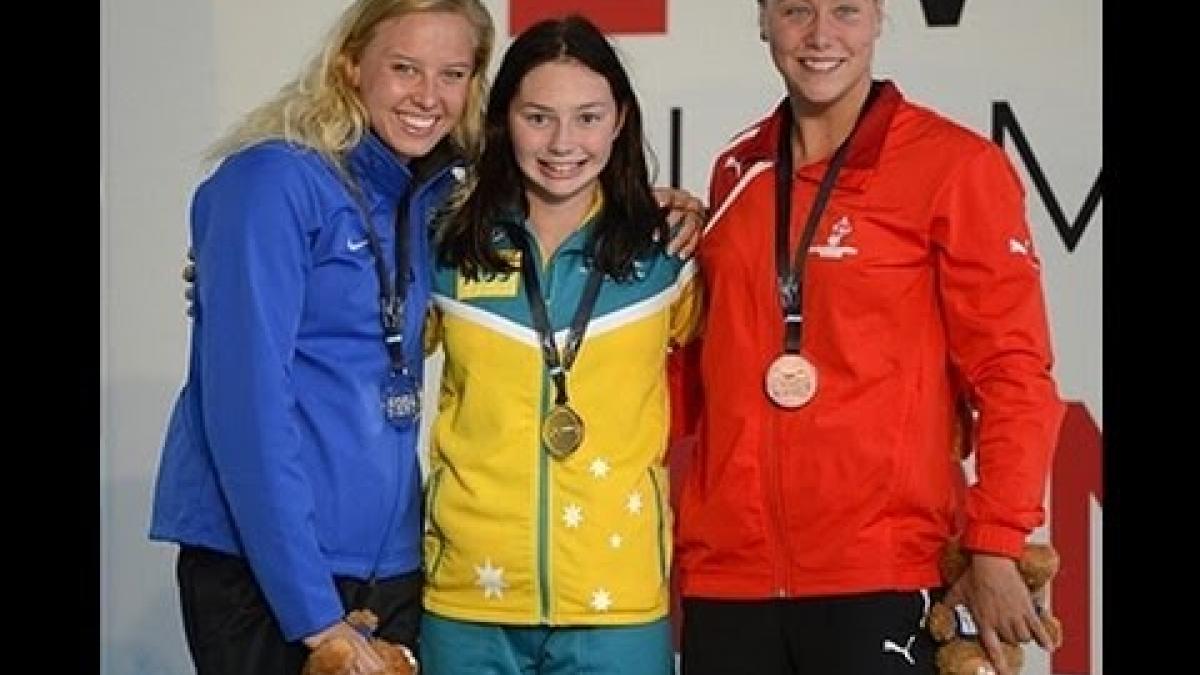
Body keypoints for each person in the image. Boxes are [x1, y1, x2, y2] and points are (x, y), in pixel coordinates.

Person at [670, 2, 1066, 674]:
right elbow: (717, 364)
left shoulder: (954, 165)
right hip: (727, 580)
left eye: (847, 10)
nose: (821, 36)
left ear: (880, 17)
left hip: (879, 577)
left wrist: (997, 538)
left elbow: (1012, 368)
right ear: (764, 18)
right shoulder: (738, 169)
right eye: (796, 10)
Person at [148, 2, 495, 673]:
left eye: (452, 73)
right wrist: (314, 616)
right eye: (404, 68)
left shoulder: (429, 193)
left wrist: (648, 204)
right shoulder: (272, 181)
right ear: (350, 64)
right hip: (268, 573)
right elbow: (247, 410)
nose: (429, 96)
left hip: (388, 566)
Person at [418, 14, 702, 675]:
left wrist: (709, 217)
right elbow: (352, 347)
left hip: (617, 609)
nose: (562, 142)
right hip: (469, 600)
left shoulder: (669, 253)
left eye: (588, 117)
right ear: (502, 119)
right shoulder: (448, 246)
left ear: (621, 120)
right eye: (538, 117)